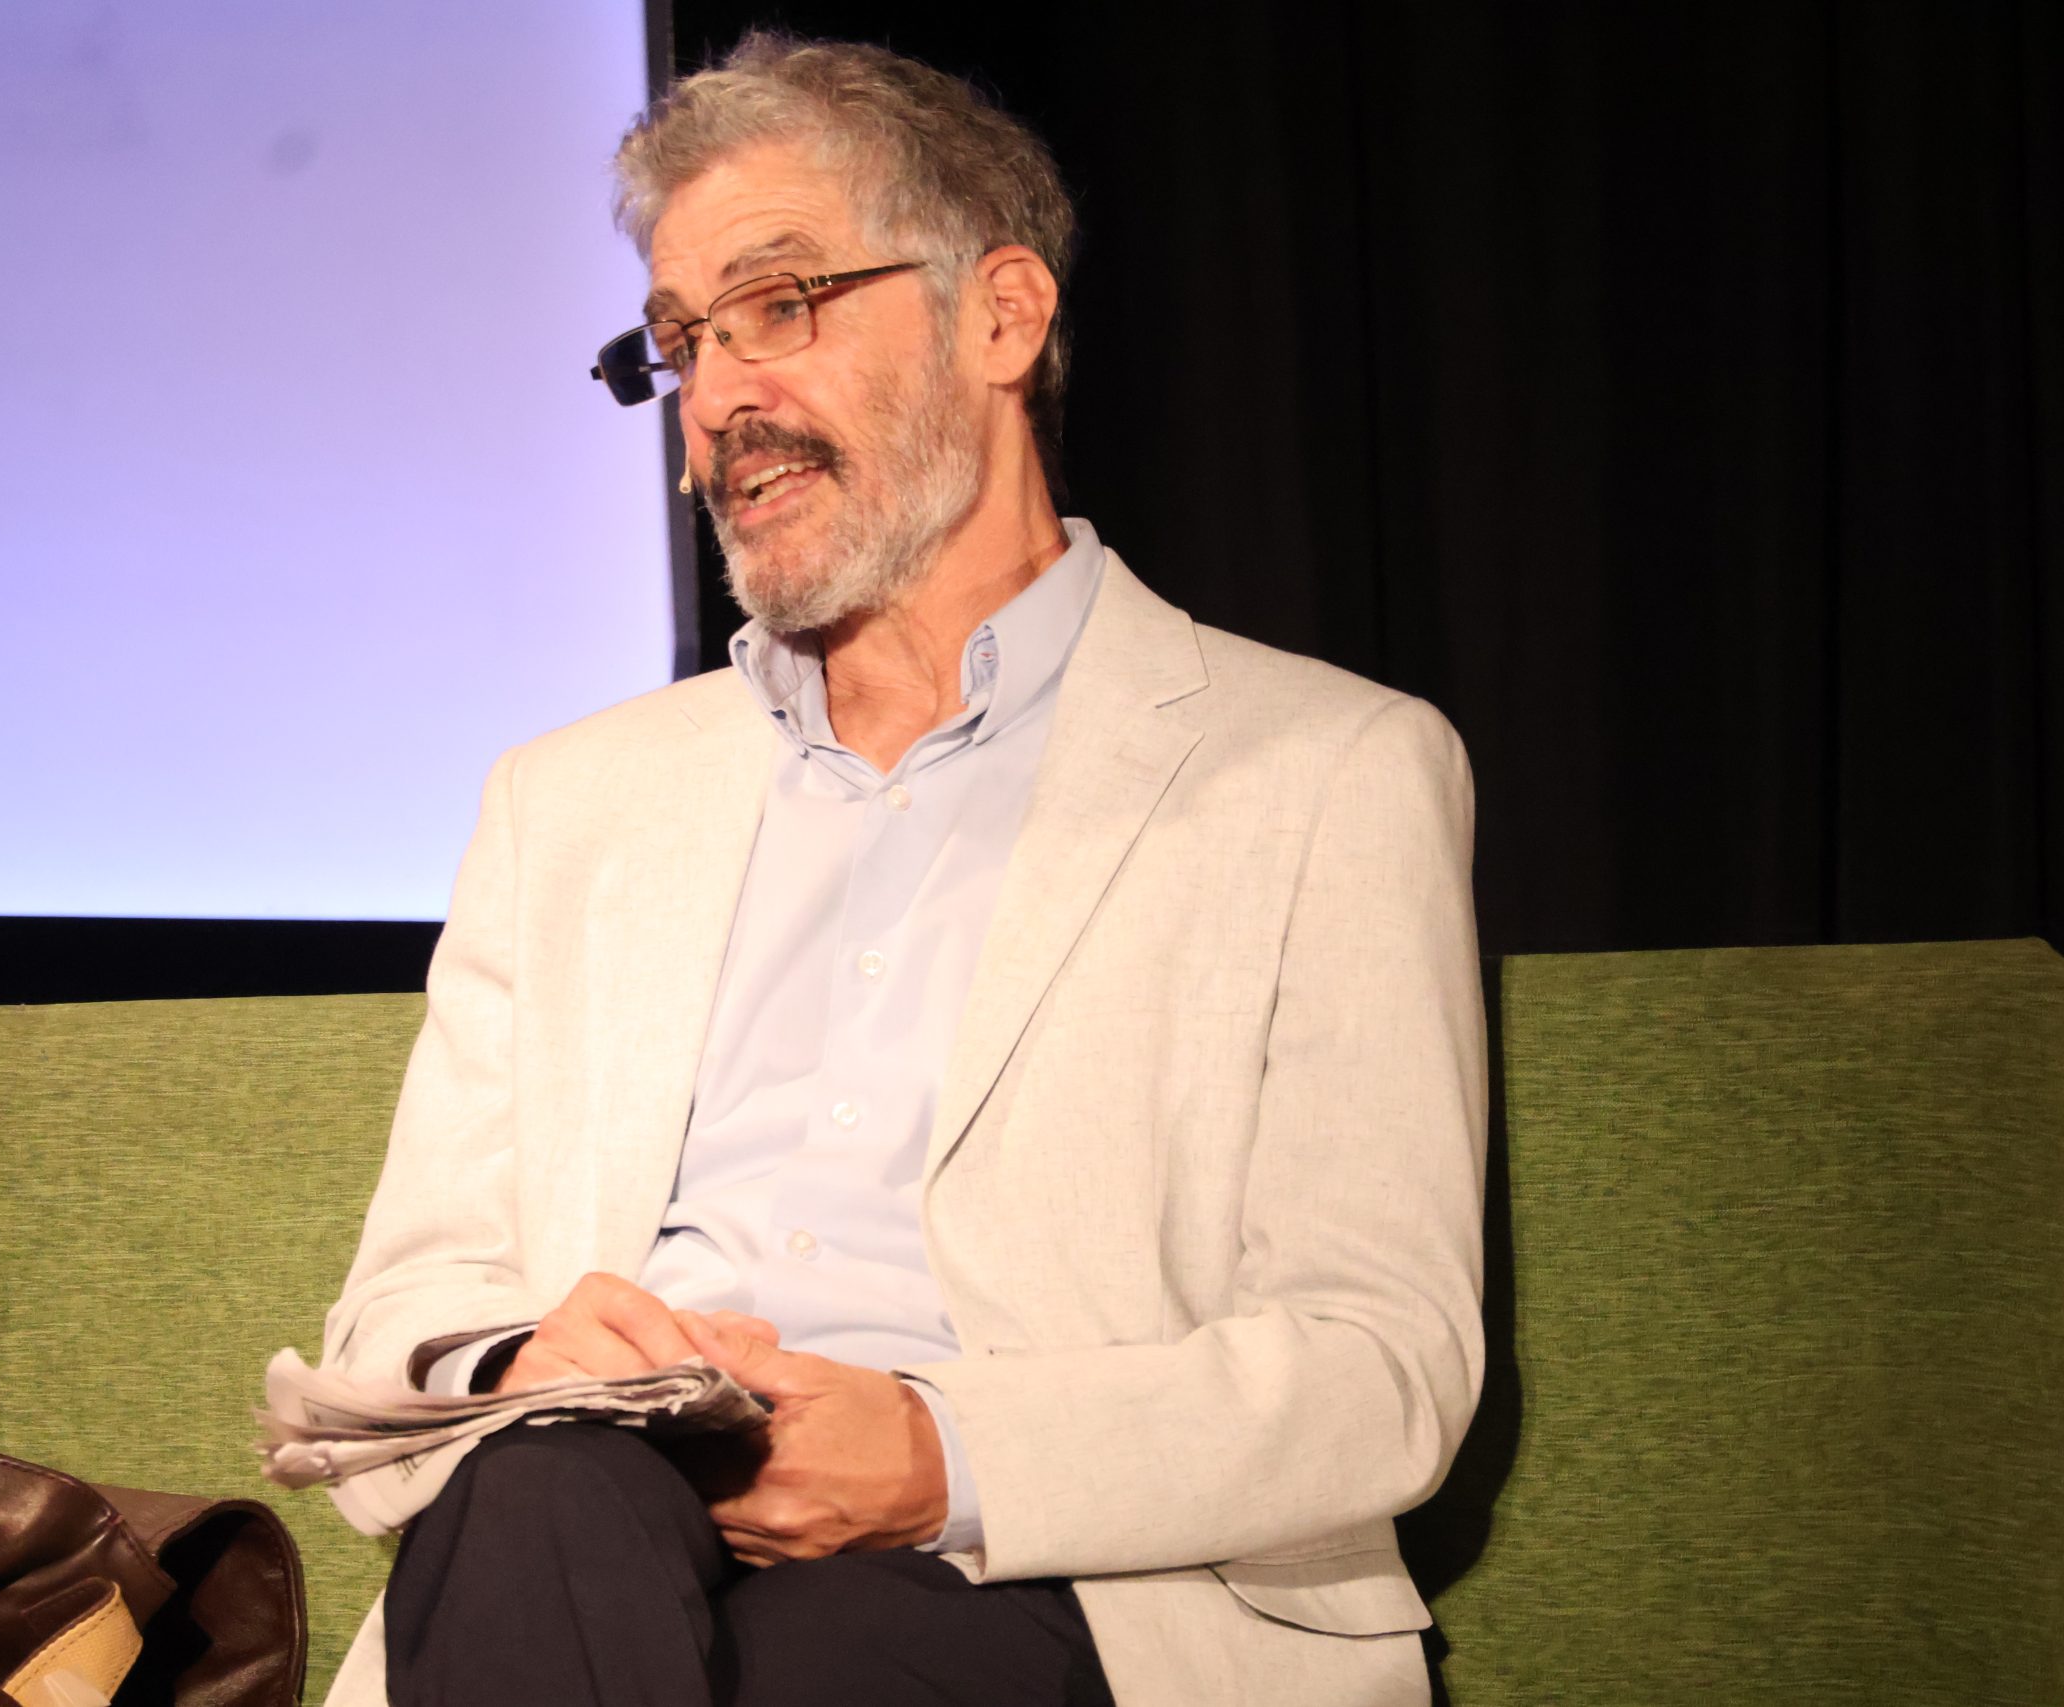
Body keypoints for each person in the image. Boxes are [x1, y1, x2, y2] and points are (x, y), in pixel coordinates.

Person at [317, 33, 1486, 1707]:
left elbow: (1381, 1366)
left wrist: (943, 1458)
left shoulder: (1324, 772)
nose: (717, 402)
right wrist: (522, 1361)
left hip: (1059, 1583)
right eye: (681, 343)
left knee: (812, 1660)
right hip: (589, 1540)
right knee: (545, 1481)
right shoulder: (568, 806)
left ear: (1001, 317)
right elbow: (398, 1320)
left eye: (778, 305)